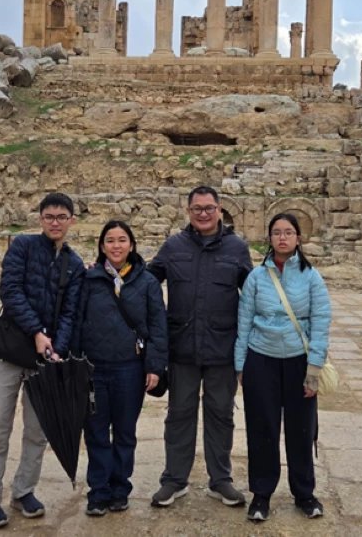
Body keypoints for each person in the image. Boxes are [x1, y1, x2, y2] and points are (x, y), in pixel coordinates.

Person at [0, 193, 85, 529]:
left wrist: (56, 347)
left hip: (45, 359)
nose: (55, 222)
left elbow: (70, 312)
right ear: (40, 219)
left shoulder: (75, 263)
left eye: (61, 216)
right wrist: (37, 331)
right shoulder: (22, 247)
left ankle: (24, 491)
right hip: (11, 352)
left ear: (71, 221)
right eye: (49, 216)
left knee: (38, 431)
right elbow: (10, 291)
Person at [148, 186, 254, 508]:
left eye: (209, 208)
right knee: (179, 414)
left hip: (222, 349)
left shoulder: (237, 248)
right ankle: (174, 480)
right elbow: (147, 281)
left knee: (221, 415)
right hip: (182, 349)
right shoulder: (173, 246)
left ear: (220, 209)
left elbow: (253, 294)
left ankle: (220, 480)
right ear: (188, 211)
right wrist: (106, 273)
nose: (203, 214)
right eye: (197, 209)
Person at [234, 213, 331, 523]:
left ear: (298, 239)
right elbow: (244, 322)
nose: (283, 237)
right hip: (261, 358)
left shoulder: (311, 276)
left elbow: (321, 320)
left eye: (289, 232)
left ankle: (304, 493)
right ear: (270, 239)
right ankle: (261, 495)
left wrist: (314, 367)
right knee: (262, 428)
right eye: (276, 232)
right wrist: (240, 366)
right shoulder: (256, 278)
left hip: (299, 360)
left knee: (301, 429)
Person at [71, 220, 168, 517]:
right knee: (97, 432)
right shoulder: (89, 279)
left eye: (122, 240)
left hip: (130, 368)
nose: (116, 246)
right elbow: (76, 321)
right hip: (94, 369)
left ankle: (119, 489)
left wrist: (154, 366)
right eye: (110, 240)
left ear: (132, 245)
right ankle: (98, 492)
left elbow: (157, 326)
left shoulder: (147, 282)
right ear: (101, 246)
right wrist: (74, 363)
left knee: (125, 432)